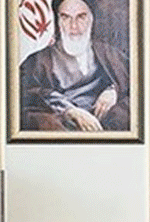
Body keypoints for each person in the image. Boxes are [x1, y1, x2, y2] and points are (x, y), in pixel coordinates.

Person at [18, 0, 131, 133]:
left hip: (105, 124)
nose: (74, 26)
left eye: (81, 17)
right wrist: (69, 111)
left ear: (91, 19)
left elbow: (138, 84)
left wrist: (113, 91)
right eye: (66, 17)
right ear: (58, 21)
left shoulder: (110, 54)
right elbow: (22, 96)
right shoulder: (36, 61)